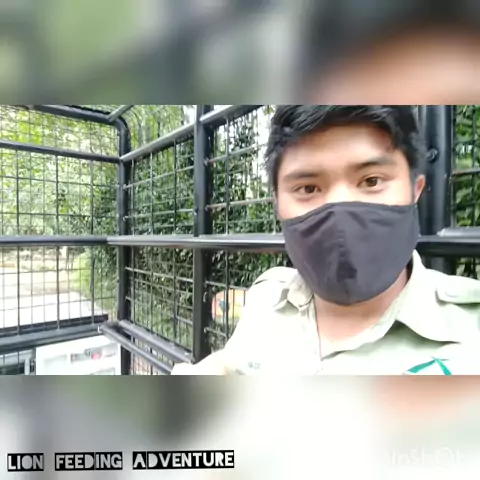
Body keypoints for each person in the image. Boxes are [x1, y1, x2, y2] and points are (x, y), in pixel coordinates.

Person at [171, 105, 480, 375]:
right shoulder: (267, 298)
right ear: (277, 203)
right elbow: (233, 363)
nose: (339, 207)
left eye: (371, 181)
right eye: (308, 188)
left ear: (415, 190)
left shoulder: (469, 333)